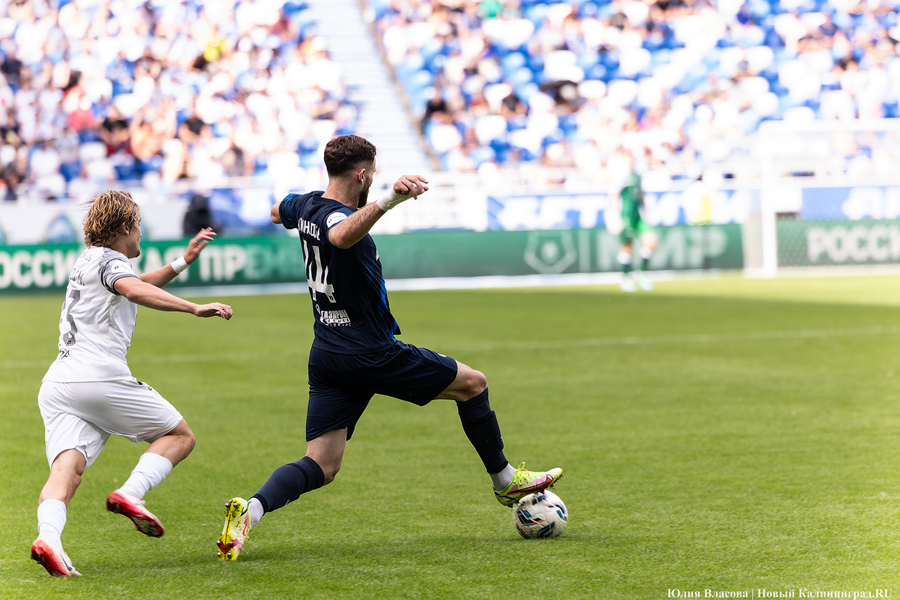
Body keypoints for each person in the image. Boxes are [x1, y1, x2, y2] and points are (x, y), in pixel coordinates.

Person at [216, 134, 562, 561]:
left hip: (327, 353)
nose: (372, 181)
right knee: (473, 383)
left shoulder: (305, 204)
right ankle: (505, 480)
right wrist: (388, 200)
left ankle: (249, 511)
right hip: (369, 351)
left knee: (322, 464)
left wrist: (296, 213)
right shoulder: (338, 217)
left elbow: (276, 211)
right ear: (362, 175)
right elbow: (340, 235)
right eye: (372, 175)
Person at [31, 191, 234, 578]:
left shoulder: (89, 259)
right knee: (179, 436)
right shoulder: (112, 261)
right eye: (138, 225)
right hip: (96, 376)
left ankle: (49, 540)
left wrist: (181, 262)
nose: (141, 234)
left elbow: (135, 282)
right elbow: (134, 288)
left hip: (59, 382)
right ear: (125, 227)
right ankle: (130, 493)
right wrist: (193, 307)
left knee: (66, 471)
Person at [616, 152, 657, 293]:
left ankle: (641, 272)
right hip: (626, 215)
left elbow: (640, 194)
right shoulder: (619, 177)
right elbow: (613, 196)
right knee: (627, 246)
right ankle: (626, 278)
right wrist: (614, 216)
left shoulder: (637, 176)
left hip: (639, 215)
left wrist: (647, 211)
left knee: (650, 241)